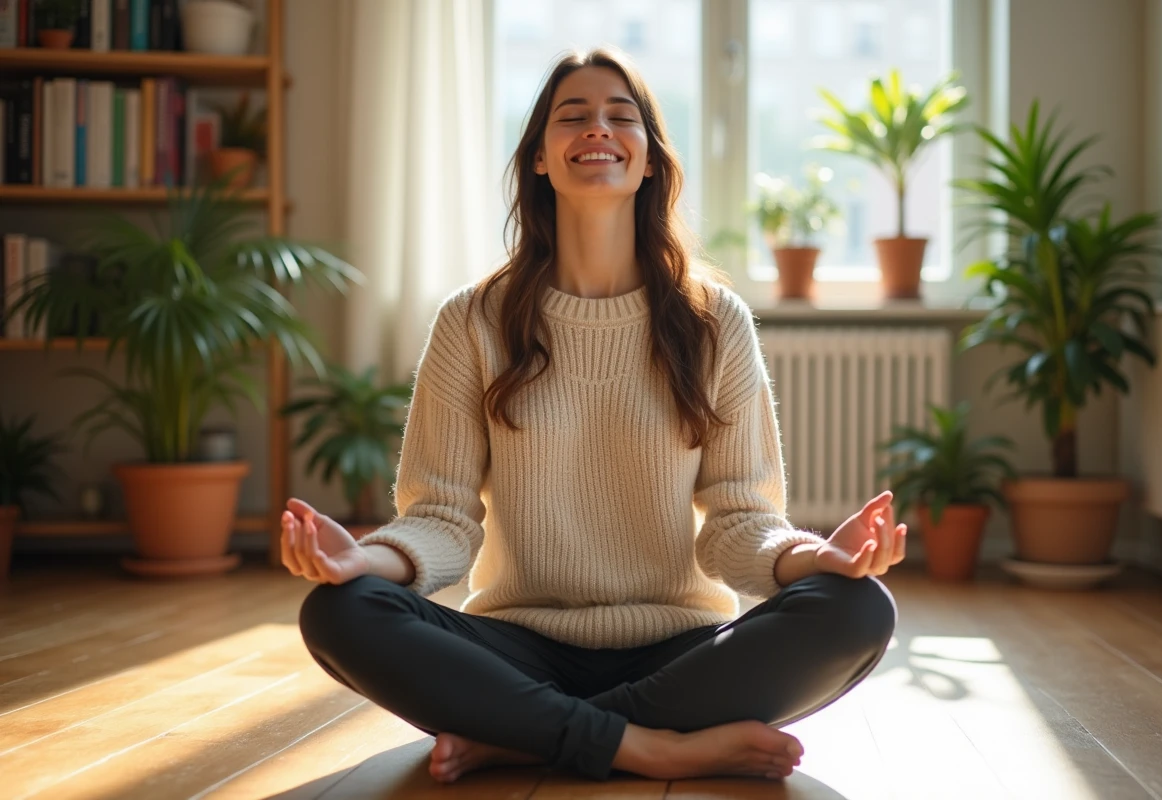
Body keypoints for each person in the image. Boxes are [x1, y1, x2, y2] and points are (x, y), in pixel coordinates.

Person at [286, 47, 903, 786]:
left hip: (679, 649)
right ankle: (655, 747)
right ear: (539, 157)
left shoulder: (715, 322)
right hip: (517, 645)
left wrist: (817, 561)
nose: (597, 129)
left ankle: (524, 735)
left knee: (858, 609)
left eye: (621, 116)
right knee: (338, 611)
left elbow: (740, 522)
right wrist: (362, 562)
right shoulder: (472, 320)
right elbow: (442, 519)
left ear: (650, 160)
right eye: (572, 116)